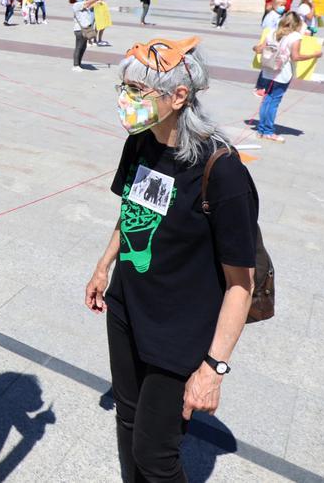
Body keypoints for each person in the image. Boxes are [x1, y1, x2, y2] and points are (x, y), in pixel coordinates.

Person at [86, 36, 257, 483]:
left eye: (139, 91)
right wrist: (104, 266)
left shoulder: (222, 171)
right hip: (127, 307)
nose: (126, 100)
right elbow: (131, 211)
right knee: (127, 419)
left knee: (155, 454)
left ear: (179, 96)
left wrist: (214, 368)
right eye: (124, 87)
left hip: (180, 330)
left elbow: (242, 284)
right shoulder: (141, 142)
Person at [252, 12, 323, 143]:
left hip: (267, 71)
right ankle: (268, 131)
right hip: (282, 74)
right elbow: (296, 57)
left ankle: (261, 130)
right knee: (273, 102)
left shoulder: (272, 32)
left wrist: (256, 47)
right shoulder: (295, 37)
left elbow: (258, 49)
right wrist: (314, 55)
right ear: (297, 24)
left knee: (266, 100)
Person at [70, 0, 104, 71]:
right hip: (79, 29)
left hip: (85, 29)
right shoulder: (76, 5)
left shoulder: (82, 4)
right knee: (78, 47)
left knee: (83, 47)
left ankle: (79, 63)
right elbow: (88, 3)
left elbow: (90, 5)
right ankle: (75, 65)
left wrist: (97, 2)